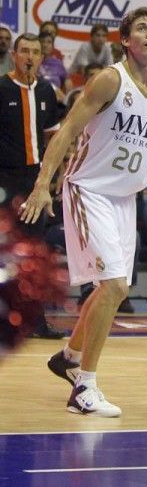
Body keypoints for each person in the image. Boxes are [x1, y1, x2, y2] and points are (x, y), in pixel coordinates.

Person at [20, 7, 147, 416]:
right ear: (126, 41)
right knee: (113, 287)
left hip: (125, 199)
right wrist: (44, 185)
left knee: (110, 288)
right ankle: (84, 389)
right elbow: (68, 131)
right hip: (88, 190)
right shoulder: (110, 79)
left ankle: (69, 357)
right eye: (141, 29)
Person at [0, 32, 63, 338]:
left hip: (36, 181)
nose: (29, 56)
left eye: (35, 52)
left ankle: (35, 320)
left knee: (35, 252)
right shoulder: (1, 88)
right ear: (15, 54)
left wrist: (50, 180)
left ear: (42, 57)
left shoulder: (47, 91)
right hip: (5, 179)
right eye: (24, 50)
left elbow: (54, 138)